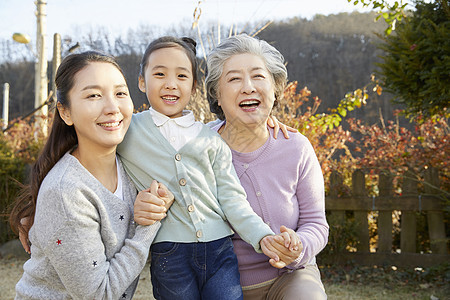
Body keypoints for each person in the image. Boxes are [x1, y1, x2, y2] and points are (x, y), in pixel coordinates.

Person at [116, 36, 294, 300]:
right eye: (159, 74)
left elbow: (233, 200)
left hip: (220, 251)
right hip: (169, 254)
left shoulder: (211, 140)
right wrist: (33, 204)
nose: (170, 84)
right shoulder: (127, 130)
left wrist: (263, 236)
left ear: (195, 86)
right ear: (141, 81)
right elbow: (82, 154)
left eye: (181, 76)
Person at [9, 51, 172, 299]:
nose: (112, 108)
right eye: (94, 95)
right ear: (65, 113)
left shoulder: (131, 163)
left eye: (120, 93)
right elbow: (99, 294)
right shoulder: (66, 192)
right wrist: (146, 226)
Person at [204, 34, 329, 299]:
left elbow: (316, 223)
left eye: (258, 76)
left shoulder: (295, 146)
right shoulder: (198, 148)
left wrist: (298, 247)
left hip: (290, 277)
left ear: (275, 88)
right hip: (221, 285)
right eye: (234, 78)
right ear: (216, 92)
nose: (248, 87)